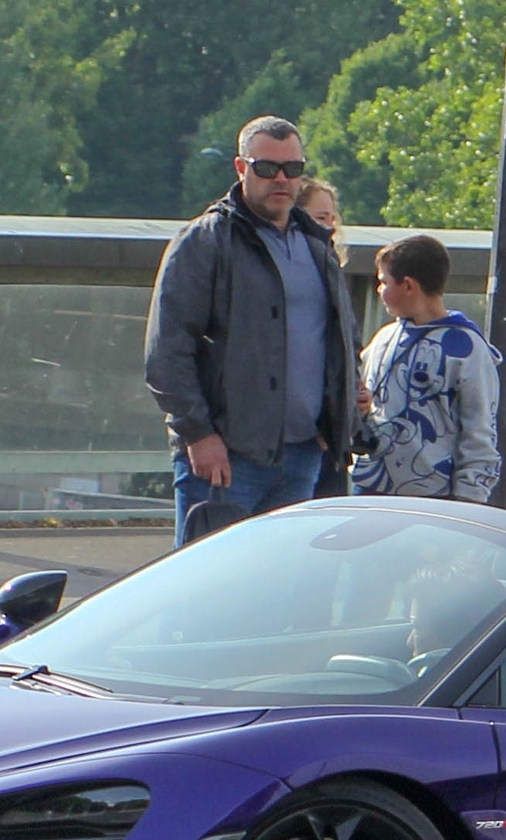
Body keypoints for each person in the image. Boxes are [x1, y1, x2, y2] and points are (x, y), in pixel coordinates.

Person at [143, 116, 360, 543]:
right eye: (266, 168)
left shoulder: (317, 246)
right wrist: (199, 434)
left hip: (302, 455)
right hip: (226, 456)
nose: (281, 179)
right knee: (206, 590)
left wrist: (340, 414)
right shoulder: (205, 241)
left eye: (292, 169)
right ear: (242, 169)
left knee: (280, 593)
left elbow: (342, 338)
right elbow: (166, 352)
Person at [352, 234, 501, 503]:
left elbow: (479, 429)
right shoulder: (384, 338)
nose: (378, 289)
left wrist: (470, 498)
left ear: (408, 285)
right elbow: (362, 395)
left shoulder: (467, 348)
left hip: (435, 497)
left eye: (383, 282)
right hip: (371, 486)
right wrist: (359, 407)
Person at [296, 177, 358, 499]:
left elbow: (347, 344)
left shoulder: (329, 268)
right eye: (321, 218)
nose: (330, 228)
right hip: (304, 431)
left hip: (326, 436)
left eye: (333, 219)